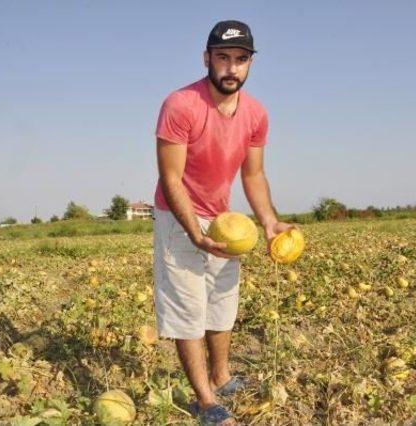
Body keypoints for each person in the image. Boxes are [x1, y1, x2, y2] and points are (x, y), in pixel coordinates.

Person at [152, 20, 292, 425]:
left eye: (241, 59)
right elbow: (170, 177)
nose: (232, 68)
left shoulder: (256, 114)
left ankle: (222, 375)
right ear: (207, 58)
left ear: (250, 63)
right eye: (223, 58)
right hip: (178, 215)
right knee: (188, 306)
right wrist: (194, 232)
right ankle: (204, 400)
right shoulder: (181, 104)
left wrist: (269, 222)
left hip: (224, 217)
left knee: (222, 301)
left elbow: (253, 175)